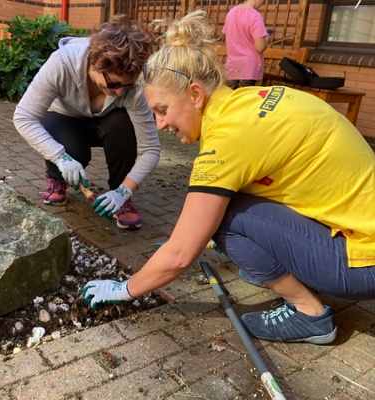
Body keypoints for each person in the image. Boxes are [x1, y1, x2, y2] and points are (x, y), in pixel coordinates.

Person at [82, 10, 375, 344]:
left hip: (363, 262)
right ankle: (271, 267)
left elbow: (180, 255)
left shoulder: (228, 141)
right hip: (360, 230)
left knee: (224, 220)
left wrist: (124, 289)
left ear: (195, 95)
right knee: (224, 207)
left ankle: (309, 313)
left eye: (162, 110)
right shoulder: (249, 100)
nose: (160, 124)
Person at [13, 15, 161, 230]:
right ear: (95, 62)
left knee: (124, 125)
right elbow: (24, 116)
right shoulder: (63, 62)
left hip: (106, 122)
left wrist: (126, 190)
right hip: (62, 118)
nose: (120, 91)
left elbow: (151, 149)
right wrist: (61, 157)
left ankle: (118, 195)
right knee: (75, 153)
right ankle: (57, 177)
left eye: (126, 86)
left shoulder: (133, 84)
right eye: (113, 83)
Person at [222, 0, 270, 90]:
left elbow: (228, 38)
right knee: (244, 99)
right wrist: (267, 38)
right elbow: (260, 47)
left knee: (231, 99)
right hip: (248, 68)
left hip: (232, 66)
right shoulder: (255, 16)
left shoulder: (231, 13)